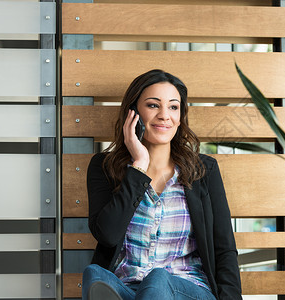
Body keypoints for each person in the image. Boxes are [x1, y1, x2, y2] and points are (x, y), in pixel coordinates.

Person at [82, 69, 242, 300]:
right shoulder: (103, 167)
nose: (165, 115)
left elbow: (224, 248)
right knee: (95, 274)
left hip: (187, 288)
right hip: (129, 288)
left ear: (181, 115)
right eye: (154, 105)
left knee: (158, 279)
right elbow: (107, 235)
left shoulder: (204, 170)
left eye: (173, 107)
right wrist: (139, 166)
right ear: (133, 112)